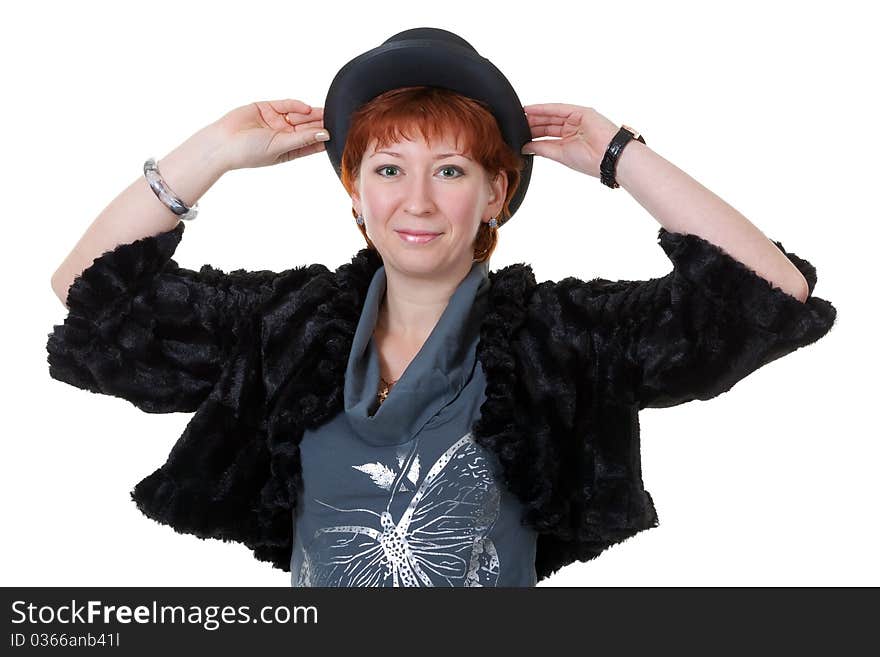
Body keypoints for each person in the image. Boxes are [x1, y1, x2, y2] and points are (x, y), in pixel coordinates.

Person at [47, 28, 837, 586]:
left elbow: (769, 295)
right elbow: (90, 296)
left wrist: (618, 156)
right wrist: (213, 151)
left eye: (451, 170)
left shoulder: (561, 339)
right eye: (389, 170)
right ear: (355, 194)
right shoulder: (285, 326)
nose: (416, 202)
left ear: (497, 193)